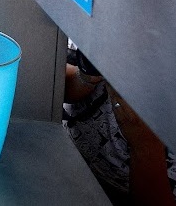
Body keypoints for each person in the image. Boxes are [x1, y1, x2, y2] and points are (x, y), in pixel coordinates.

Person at [64, 46, 176, 204]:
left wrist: (144, 144)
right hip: (61, 145)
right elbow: (51, 77)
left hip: (114, 191)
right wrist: (85, 76)